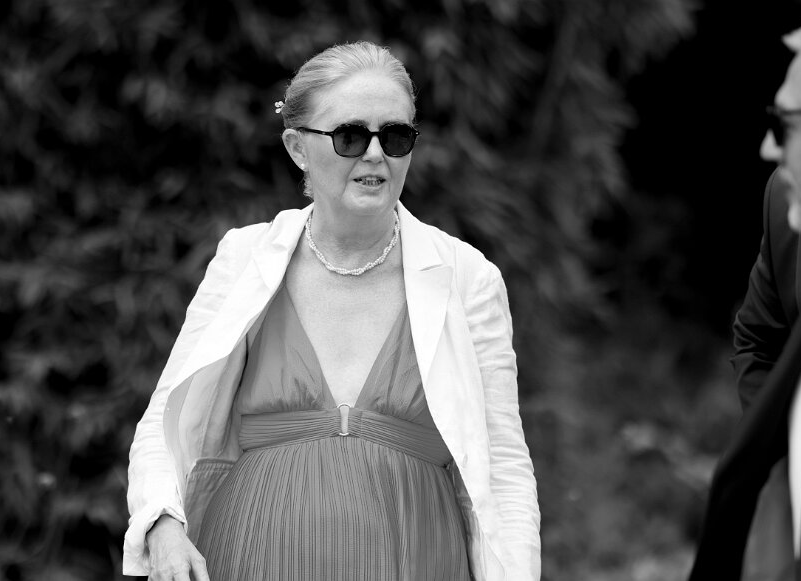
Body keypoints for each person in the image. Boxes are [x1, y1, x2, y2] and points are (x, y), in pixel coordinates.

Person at [122, 41, 542, 581]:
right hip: (252, 557)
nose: (375, 154)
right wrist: (161, 522)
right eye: (350, 136)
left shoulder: (467, 277)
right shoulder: (245, 258)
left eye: (395, 136)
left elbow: (504, 465)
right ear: (298, 147)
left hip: (417, 558)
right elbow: (163, 422)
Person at [690, 14, 801, 581]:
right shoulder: (788, 201)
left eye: (788, 124)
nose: (767, 147)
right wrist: (794, 454)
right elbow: (758, 337)